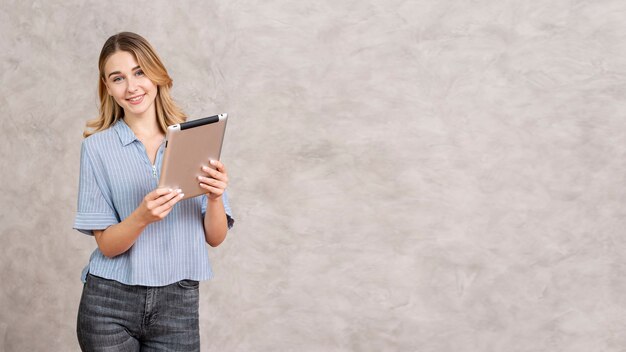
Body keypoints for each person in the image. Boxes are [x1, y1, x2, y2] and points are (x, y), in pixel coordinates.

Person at [73, 32, 234, 351]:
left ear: (156, 74)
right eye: (117, 78)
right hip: (109, 304)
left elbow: (215, 237)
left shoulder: (195, 140)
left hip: (178, 303)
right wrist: (142, 217)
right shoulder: (96, 149)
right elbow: (107, 245)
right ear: (107, 87)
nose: (131, 87)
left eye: (139, 72)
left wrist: (215, 197)